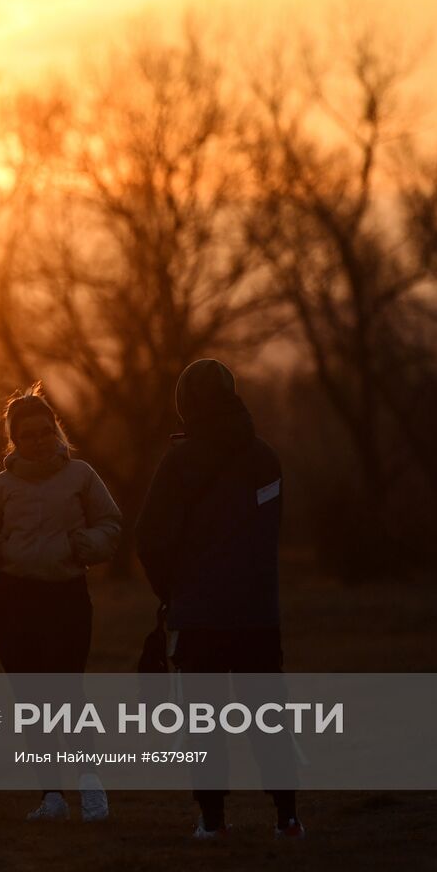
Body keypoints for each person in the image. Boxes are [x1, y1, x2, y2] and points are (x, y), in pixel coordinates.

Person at [134, 358, 305, 841]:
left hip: (201, 616)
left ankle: (212, 822)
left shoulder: (180, 461)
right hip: (258, 612)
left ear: (184, 403)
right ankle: (287, 818)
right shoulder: (266, 458)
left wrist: (171, 591)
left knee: (204, 722)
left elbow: (149, 540)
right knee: (268, 715)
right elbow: (266, 533)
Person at [0, 382, 122, 822]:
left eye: (44, 430)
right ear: (14, 439)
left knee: (68, 694)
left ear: (56, 430)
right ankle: (51, 795)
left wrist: (85, 544)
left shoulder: (82, 476)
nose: (37, 440)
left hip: (65, 596)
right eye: (26, 434)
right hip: (12, 601)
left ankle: (91, 784)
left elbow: (111, 524)